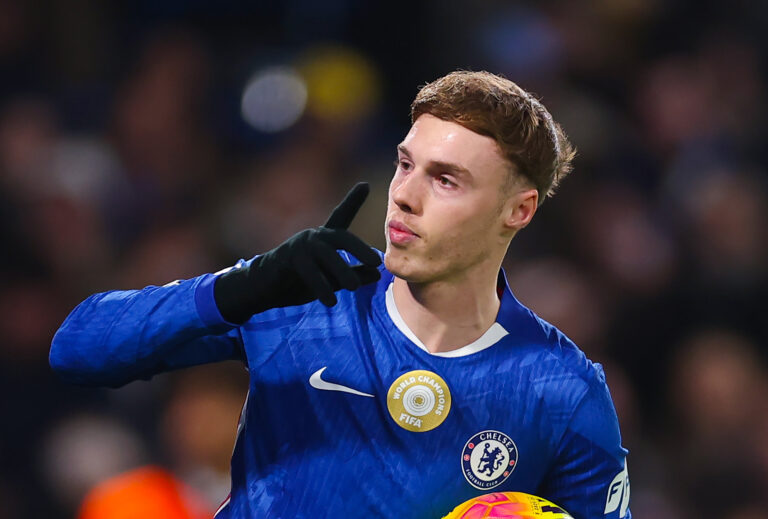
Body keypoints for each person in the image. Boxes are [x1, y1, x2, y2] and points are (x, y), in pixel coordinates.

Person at [50, 70, 631, 519]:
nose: (404, 196)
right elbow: (75, 349)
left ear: (518, 210)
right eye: (405, 164)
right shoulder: (303, 298)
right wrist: (236, 290)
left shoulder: (562, 390)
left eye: (446, 179)